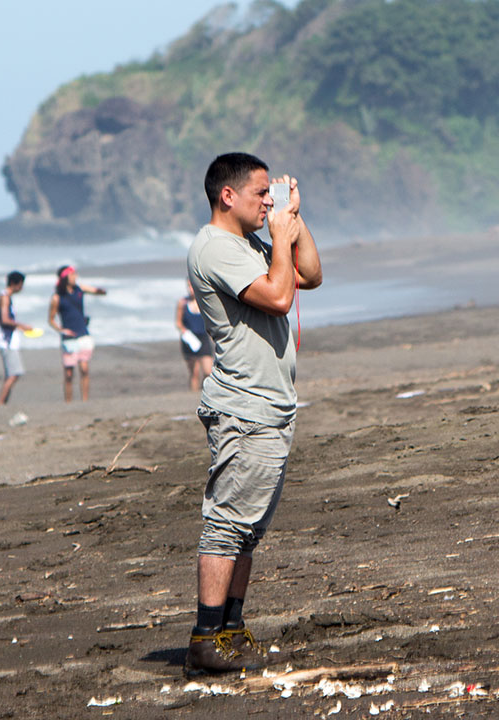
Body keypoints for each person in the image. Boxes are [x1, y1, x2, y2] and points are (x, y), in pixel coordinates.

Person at [182, 152, 322, 676]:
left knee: (248, 528)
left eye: (272, 194)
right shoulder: (217, 248)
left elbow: (310, 274)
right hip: (245, 407)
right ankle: (204, 638)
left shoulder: (249, 243)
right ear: (228, 196)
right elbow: (281, 296)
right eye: (262, 193)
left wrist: (294, 222)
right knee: (227, 525)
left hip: (269, 404)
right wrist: (280, 238)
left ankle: (231, 629)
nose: (269, 201)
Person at [47, 265, 105, 402]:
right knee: (68, 373)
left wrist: (100, 291)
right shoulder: (57, 297)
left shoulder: (80, 289)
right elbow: (50, 319)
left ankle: (85, 400)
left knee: (84, 368)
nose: (75, 277)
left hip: (83, 333)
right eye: (72, 275)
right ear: (65, 278)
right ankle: (69, 402)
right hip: (69, 337)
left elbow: (95, 291)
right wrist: (61, 330)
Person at [0, 270, 35, 405]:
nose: (22, 288)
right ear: (14, 283)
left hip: (9, 340)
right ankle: (0, 403)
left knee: (11, 374)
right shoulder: (5, 297)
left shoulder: (7, 296)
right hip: (7, 341)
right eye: (21, 284)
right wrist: (22, 326)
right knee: (14, 374)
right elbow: (5, 319)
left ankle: (3, 402)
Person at [176, 280, 215, 391]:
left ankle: (204, 392)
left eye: (193, 286)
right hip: (189, 340)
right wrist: (185, 332)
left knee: (208, 371)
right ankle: (192, 396)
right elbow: (178, 323)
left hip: (203, 338)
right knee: (195, 372)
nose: (191, 289)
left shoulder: (204, 302)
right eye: (189, 286)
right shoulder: (183, 303)